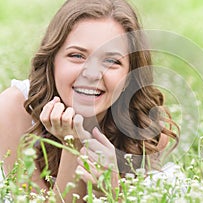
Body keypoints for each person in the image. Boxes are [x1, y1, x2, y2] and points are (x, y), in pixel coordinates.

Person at [0, 0, 179, 202]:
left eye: (111, 61)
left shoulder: (147, 126)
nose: (92, 74)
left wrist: (110, 191)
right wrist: (73, 145)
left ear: (130, 73)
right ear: (52, 61)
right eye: (77, 55)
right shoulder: (15, 108)